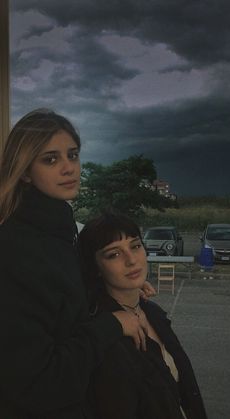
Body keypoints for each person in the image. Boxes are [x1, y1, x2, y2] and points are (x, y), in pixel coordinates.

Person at [0, 109, 150, 419]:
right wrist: (112, 325)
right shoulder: (14, 248)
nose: (69, 168)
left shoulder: (57, 229)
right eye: (51, 159)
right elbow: (39, 382)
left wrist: (120, 287)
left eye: (73, 155)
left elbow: (62, 300)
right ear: (26, 172)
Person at [79, 212, 208, 419]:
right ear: (95, 268)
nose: (131, 260)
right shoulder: (105, 336)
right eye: (114, 254)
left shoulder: (153, 312)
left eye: (135, 246)